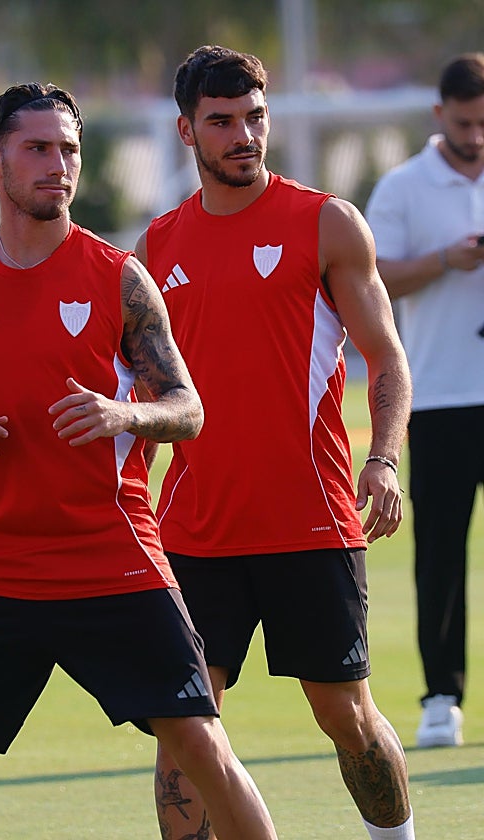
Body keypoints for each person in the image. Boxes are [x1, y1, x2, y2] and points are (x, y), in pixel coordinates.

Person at [0, 81, 277, 840]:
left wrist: (120, 412)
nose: (57, 165)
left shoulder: (118, 278)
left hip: (110, 550)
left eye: (68, 150)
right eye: (37, 149)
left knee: (198, 742)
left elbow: (188, 409)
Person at [138, 45, 415, 840]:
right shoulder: (154, 249)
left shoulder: (325, 222)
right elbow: (146, 400)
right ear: (186, 131)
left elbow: (387, 359)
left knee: (345, 715)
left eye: (254, 118)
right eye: (222, 122)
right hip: (193, 530)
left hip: (312, 521)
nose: (244, 135)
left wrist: (384, 459)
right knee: (183, 727)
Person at [365, 52, 484, 750]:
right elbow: (372, 278)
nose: (477, 135)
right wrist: (446, 259)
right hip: (438, 394)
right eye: (467, 123)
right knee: (440, 552)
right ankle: (442, 696)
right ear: (441, 115)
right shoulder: (405, 186)